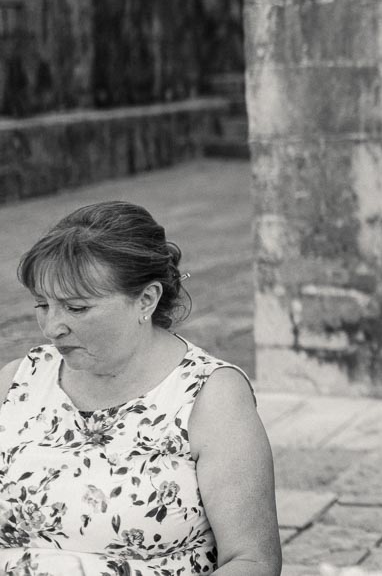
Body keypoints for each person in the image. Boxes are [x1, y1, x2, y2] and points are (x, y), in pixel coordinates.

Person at [0, 202, 282, 576]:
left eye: (77, 308)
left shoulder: (210, 396)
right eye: (42, 304)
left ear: (146, 299)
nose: (52, 327)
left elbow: (252, 561)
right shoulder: (18, 380)